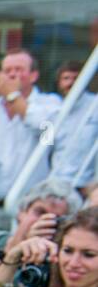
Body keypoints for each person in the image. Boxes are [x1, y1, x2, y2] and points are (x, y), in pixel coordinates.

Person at [0, 50, 63, 233]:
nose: (12, 74)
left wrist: (13, 97)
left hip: (28, 210)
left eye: (18, 69)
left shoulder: (50, 104)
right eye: (7, 70)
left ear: (34, 75)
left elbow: (48, 132)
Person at [49, 61, 98, 193]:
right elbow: (45, 147)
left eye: (76, 78)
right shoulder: (51, 109)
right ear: (59, 83)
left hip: (88, 185)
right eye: (66, 78)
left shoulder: (95, 105)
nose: (71, 83)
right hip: (57, 184)